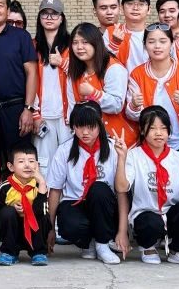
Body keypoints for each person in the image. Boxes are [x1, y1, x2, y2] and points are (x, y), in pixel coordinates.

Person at [114, 106, 179, 267]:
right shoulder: (134, 155)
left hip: (170, 213)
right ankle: (148, 247)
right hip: (146, 215)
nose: (159, 133)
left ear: (169, 131)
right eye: (152, 128)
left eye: (163, 128)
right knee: (150, 221)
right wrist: (122, 158)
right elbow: (121, 188)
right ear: (143, 130)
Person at [47, 103, 129, 265]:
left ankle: (103, 244)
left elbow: (122, 191)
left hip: (105, 206)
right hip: (76, 202)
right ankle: (88, 243)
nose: (85, 132)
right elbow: (55, 190)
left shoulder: (113, 148)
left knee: (98, 188)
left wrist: (123, 231)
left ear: (100, 125)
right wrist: (49, 229)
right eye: (80, 126)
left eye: (91, 127)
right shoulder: (64, 150)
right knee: (70, 224)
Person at [125, 24, 179, 160]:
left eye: (163, 41)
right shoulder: (137, 74)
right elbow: (134, 116)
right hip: (151, 144)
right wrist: (134, 105)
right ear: (145, 45)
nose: (157, 46)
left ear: (172, 43)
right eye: (151, 42)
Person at [0, 0, 38, 165]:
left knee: (20, 160)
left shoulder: (21, 36)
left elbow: (32, 73)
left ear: (7, 11)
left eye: (0, 5)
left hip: (16, 110)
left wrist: (28, 109)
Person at [64, 22, 134, 152]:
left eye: (85, 42)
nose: (79, 47)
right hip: (87, 141)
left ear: (96, 43)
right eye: (75, 43)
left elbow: (116, 105)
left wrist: (93, 93)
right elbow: (72, 107)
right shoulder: (73, 73)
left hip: (118, 141)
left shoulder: (113, 68)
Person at [0, 141, 51, 266]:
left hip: (36, 233)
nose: (27, 165)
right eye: (21, 161)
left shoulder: (40, 186)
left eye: (31, 161)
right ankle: (9, 252)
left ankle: (38, 252)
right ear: (11, 166)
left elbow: (42, 212)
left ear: (37, 165)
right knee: (7, 212)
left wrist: (41, 183)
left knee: (43, 214)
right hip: (13, 232)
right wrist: (12, 208)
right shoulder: (5, 186)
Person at [32, 0, 71, 174]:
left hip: (66, 116)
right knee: (43, 163)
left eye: (54, 14)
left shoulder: (72, 44)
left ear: (61, 18)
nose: (49, 18)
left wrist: (63, 63)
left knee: (68, 161)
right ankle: (44, 192)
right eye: (45, 14)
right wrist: (34, 113)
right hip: (42, 115)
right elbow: (28, 81)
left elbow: (82, 77)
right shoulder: (32, 45)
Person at [105, 0, 151, 71]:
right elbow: (102, 62)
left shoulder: (155, 33)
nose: (135, 8)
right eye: (130, 3)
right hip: (120, 79)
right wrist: (114, 44)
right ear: (122, 9)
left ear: (149, 10)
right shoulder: (111, 31)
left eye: (141, 4)